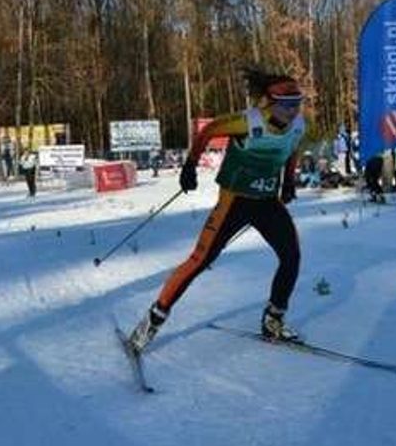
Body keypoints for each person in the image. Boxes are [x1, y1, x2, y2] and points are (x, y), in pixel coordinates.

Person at [127, 66, 306, 355]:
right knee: (199, 260)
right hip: (234, 202)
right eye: (287, 105)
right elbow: (208, 131)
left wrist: (289, 180)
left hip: (267, 202)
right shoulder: (247, 122)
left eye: (298, 103)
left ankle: (273, 320)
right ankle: (152, 320)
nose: (294, 110)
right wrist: (190, 165)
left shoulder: (298, 125)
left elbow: (291, 147)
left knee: (292, 256)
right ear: (268, 103)